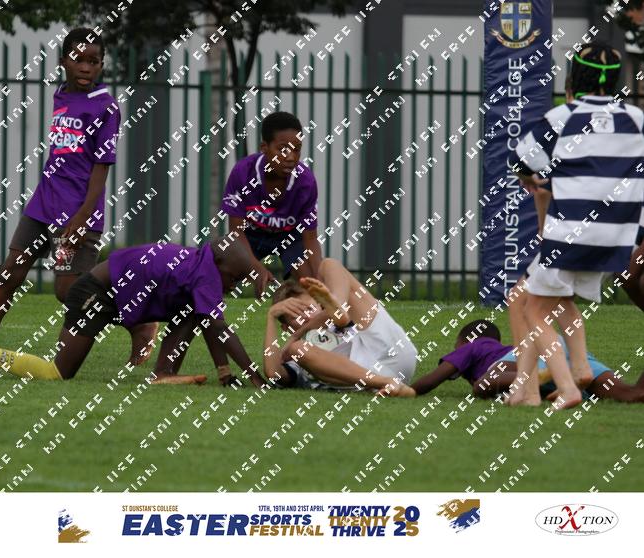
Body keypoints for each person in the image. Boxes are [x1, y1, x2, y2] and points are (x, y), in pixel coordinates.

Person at [0, 28, 158, 356]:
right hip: (43, 207)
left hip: (75, 215)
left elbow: (101, 170)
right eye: (78, 59)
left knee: (68, 291)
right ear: (63, 61)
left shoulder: (106, 108)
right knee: (10, 273)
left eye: (93, 61)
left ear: (102, 65)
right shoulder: (61, 95)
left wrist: (81, 218)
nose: (85, 67)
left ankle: (138, 322)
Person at [507, 42, 644, 408]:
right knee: (553, 299)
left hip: (570, 229)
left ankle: (568, 386)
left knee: (534, 309)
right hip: (618, 236)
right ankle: (536, 386)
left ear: (572, 79)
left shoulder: (563, 117)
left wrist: (535, 177)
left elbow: (522, 158)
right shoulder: (636, 118)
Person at [0, 236, 267, 387]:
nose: (234, 285)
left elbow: (210, 324)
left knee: (195, 313)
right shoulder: (206, 274)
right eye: (234, 278)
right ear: (219, 264)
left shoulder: (201, 262)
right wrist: (255, 375)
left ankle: (163, 372)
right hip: (94, 294)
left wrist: (225, 374)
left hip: (118, 293)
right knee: (57, 373)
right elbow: (220, 328)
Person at [262, 258, 417, 396]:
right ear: (286, 327)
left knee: (328, 264)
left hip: (394, 352)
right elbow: (273, 374)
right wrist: (271, 316)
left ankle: (339, 304)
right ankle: (388, 383)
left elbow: (329, 316)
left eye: (309, 309)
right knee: (297, 349)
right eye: (296, 315)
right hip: (367, 379)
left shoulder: (334, 318)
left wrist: (297, 334)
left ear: (320, 304)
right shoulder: (293, 356)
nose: (307, 316)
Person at [412, 320, 644, 404]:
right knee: (632, 394)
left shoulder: (474, 346)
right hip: (563, 347)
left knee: (483, 385)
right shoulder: (498, 347)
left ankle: (545, 377)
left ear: (464, 342)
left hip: (531, 357)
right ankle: (562, 379)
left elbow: (433, 380)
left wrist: (408, 390)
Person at [221, 111, 323, 292]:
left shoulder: (305, 181)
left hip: (289, 237)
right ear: (264, 147)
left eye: (297, 149)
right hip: (251, 234)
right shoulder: (243, 173)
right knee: (220, 271)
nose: (291, 157)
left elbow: (310, 238)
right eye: (283, 149)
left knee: (310, 283)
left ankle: (304, 303)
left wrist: (320, 281)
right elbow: (236, 232)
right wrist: (257, 268)